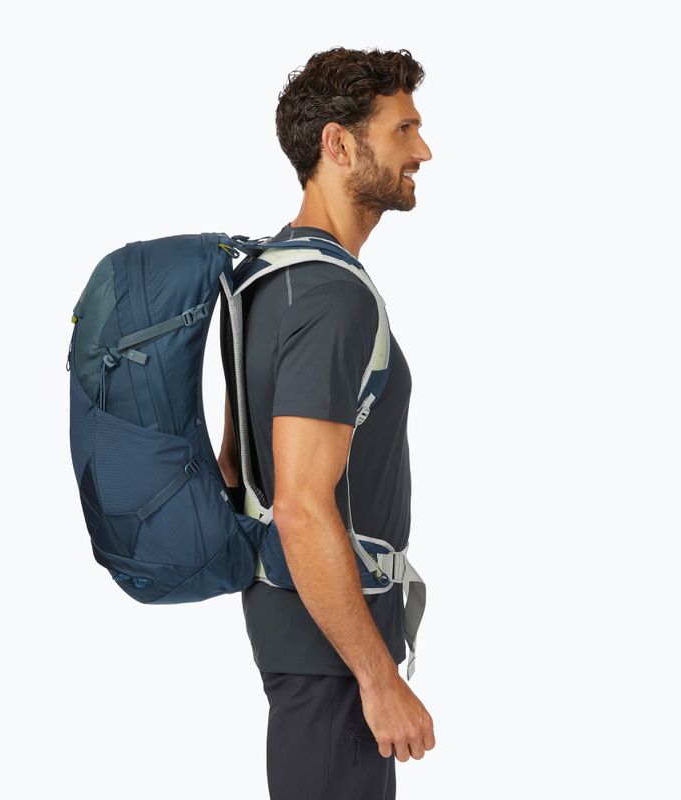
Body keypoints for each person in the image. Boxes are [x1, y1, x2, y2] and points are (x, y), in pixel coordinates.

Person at [217, 47, 435, 799]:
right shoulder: (330, 297)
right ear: (338, 145)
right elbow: (302, 506)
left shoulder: (265, 279)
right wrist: (377, 678)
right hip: (334, 659)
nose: (423, 150)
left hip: (304, 642)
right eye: (403, 129)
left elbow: (236, 466)